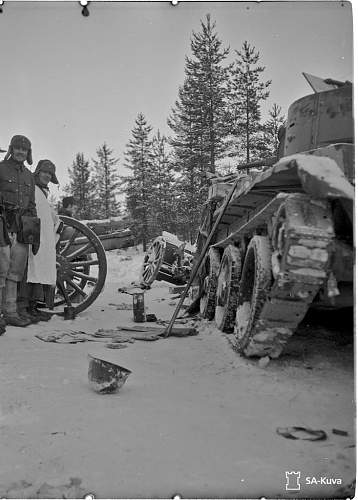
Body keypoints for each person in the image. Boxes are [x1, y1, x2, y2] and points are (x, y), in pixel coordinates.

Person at [0, 135, 38, 332]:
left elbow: (31, 205)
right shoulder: (0, 168)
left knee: (15, 272)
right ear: (11, 149)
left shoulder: (29, 176)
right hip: (2, 226)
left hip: (21, 228)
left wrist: (32, 229)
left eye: (24, 150)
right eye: (17, 148)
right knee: (1, 269)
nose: (20, 152)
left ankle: (11, 313)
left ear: (28, 153)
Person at [25, 160, 60, 319]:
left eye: (49, 174)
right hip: (32, 234)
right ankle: (27, 307)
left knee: (38, 269)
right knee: (32, 269)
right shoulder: (32, 189)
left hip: (42, 236)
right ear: (38, 172)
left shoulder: (41, 191)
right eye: (44, 172)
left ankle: (34, 306)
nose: (46, 175)